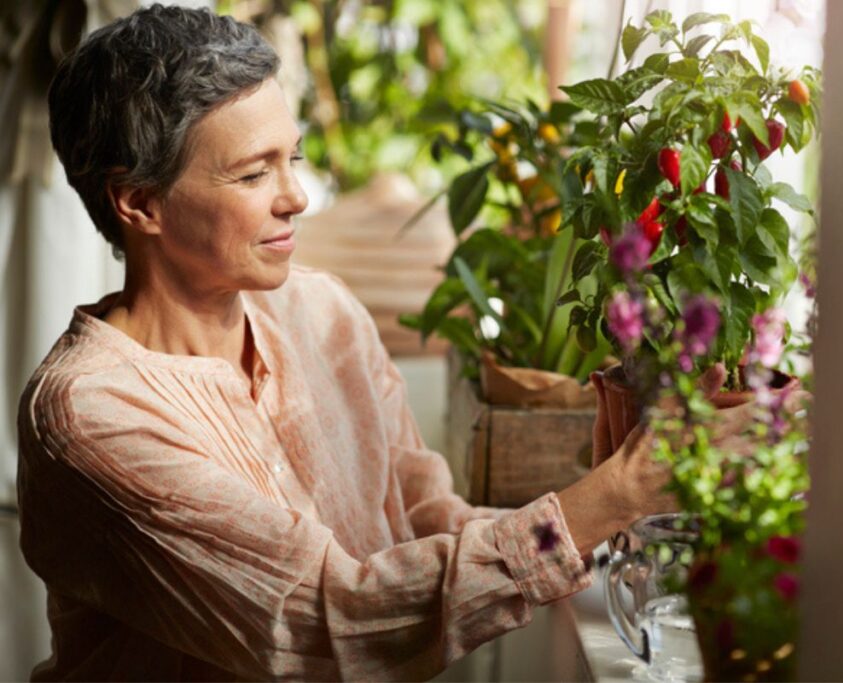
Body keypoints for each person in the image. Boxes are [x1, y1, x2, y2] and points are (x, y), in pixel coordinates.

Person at [17, 5, 760, 681]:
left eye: (293, 158)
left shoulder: (322, 312)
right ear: (139, 202)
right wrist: (609, 495)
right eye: (252, 173)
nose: (295, 197)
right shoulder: (90, 415)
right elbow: (323, 616)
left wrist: (603, 509)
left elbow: (426, 520)